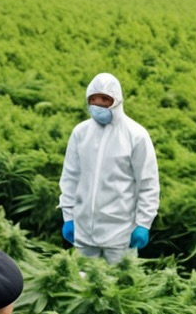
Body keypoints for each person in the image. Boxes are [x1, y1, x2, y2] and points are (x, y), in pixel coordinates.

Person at [58, 72, 160, 262]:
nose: (98, 105)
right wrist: (68, 216)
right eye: (93, 99)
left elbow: (148, 183)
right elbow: (70, 177)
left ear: (116, 100)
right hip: (83, 232)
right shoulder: (81, 133)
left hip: (121, 235)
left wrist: (143, 223)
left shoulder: (136, 135)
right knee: (82, 285)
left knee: (118, 288)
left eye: (105, 99)